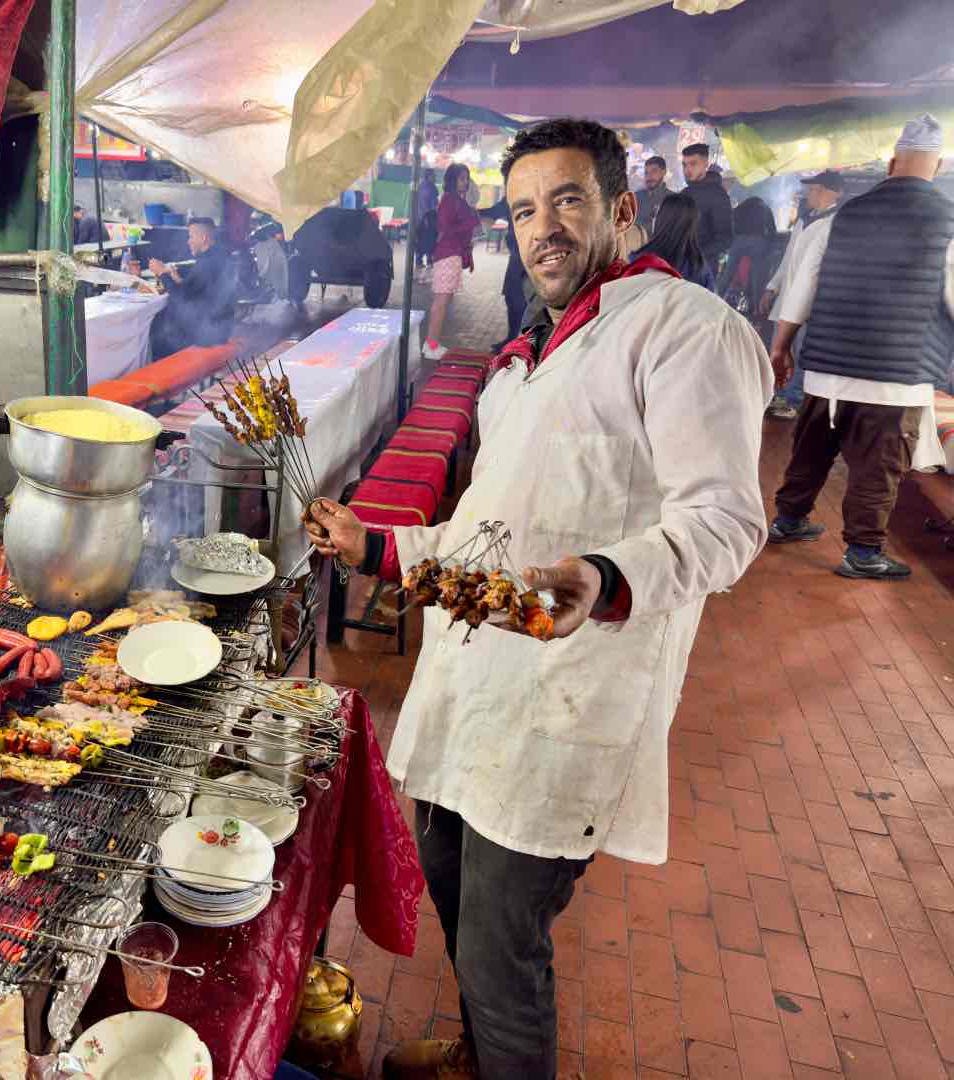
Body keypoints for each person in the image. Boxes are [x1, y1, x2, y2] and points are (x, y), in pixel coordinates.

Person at [306, 117, 769, 1080]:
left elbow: (727, 521)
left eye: (567, 200)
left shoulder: (686, 330)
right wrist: (376, 543)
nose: (542, 227)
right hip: (475, 684)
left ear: (622, 208)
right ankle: (478, 1056)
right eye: (523, 209)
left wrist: (606, 575)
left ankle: (502, 1056)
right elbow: (485, 532)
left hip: (573, 692)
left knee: (500, 947)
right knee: (451, 886)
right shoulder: (523, 362)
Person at [768, 115, 954, 579]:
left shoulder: (840, 217)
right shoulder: (947, 223)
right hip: (897, 379)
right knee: (879, 467)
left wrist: (780, 348)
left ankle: (789, 521)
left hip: (827, 372)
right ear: (940, 165)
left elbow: (801, 287)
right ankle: (864, 553)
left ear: (891, 162)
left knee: (810, 452)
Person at [760, 171, 845, 419]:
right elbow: (788, 259)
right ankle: (778, 393)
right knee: (779, 348)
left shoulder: (837, 223)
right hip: (787, 299)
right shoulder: (803, 220)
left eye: (814, 189)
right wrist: (772, 287)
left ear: (832, 192)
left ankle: (794, 399)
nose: (809, 194)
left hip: (812, 303)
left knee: (800, 353)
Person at [148, 218, 240, 357]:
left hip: (207, 334)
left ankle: (168, 373)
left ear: (203, 238)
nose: (188, 241)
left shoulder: (207, 262)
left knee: (157, 329)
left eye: (191, 236)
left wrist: (162, 272)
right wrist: (177, 279)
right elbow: (198, 289)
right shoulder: (221, 255)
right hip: (222, 328)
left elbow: (181, 298)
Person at [422, 164, 482, 360]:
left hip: (452, 254)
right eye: (462, 178)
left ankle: (432, 343)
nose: (465, 182)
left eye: (467, 178)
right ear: (452, 180)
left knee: (444, 300)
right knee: (441, 301)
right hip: (447, 254)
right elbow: (445, 227)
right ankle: (431, 345)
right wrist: (471, 222)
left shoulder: (458, 200)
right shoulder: (449, 200)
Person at [716, 196, 781, 317]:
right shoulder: (765, 208)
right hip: (758, 241)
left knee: (728, 273)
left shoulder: (740, 208)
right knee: (757, 277)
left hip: (739, 240)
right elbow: (772, 229)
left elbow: (732, 224)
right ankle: (757, 309)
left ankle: (715, 300)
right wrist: (770, 244)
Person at [637, 193, 713, 289]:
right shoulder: (700, 271)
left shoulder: (638, 261)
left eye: (656, 213)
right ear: (693, 225)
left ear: (662, 220)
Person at [680, 142, 734, 268]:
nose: (687, 169)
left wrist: (696, 255)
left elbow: (725, 238)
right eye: (684, 164)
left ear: (705, 164)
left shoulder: (717, 195)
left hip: (702, 267)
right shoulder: (684, 193)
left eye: (693, 164)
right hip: (681, 265)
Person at [487, 196, 528, 347]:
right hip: (516, 257)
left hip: (530, 256)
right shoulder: (511, 195)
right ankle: (511, 339)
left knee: (522, 301)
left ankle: (523, 345)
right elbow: (493, 212)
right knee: (510, 298)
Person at [634, 155, 670, 232]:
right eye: (646, 172)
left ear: (664, 172)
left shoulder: (673, 199)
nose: (649, 176)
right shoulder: (635, 197)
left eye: (654, 171)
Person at [415, 173, 440, 272]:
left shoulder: (420, 186)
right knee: (430, 240)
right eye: (433, 176)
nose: (435, 178)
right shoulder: (432, 188)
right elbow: (435, 204)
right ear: (429, 177)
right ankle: (430, 261)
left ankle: (418, 262)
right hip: (429, 218)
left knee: (420, 241)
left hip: (419, 219)